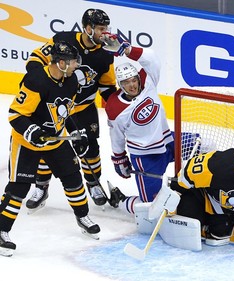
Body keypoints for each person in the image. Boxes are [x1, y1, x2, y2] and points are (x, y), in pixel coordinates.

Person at [0, 41, 100, 257]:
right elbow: (15, 114)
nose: (77, 65)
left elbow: (64, 113)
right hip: (27, 143)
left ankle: (82, 217)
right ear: (61, 62)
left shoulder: (71, 80)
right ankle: (1, 231)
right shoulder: (36, 80)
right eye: (74, 61)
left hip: (54, 140)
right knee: (18, 189)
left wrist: (76, 133)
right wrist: (33, 132)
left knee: (73, 179)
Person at [25, 8, 117, 210]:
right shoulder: (63, 39)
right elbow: (35, 59)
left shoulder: (106, 54)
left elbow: (107, 85)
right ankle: (41, 186)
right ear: (88, 28)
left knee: (91, 148)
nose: (105, 32)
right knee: (46, 144)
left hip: (83, 108)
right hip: (54, 107)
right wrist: (39, 83)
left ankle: (93, 183)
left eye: (106, 28)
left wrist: (117, 105)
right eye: (101, 28)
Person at [103, 40, 175, 213]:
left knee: (204, 145)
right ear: (120, 85)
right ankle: (120, 201)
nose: (132, 85)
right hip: (145, 157)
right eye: (126, 82)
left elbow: (152, 58)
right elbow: (117, 136)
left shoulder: (148, 81)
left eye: (134, 80)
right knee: (151, 207)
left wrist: (127, 50)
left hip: (168, 141)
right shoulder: (115, 107)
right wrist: (119, 158)